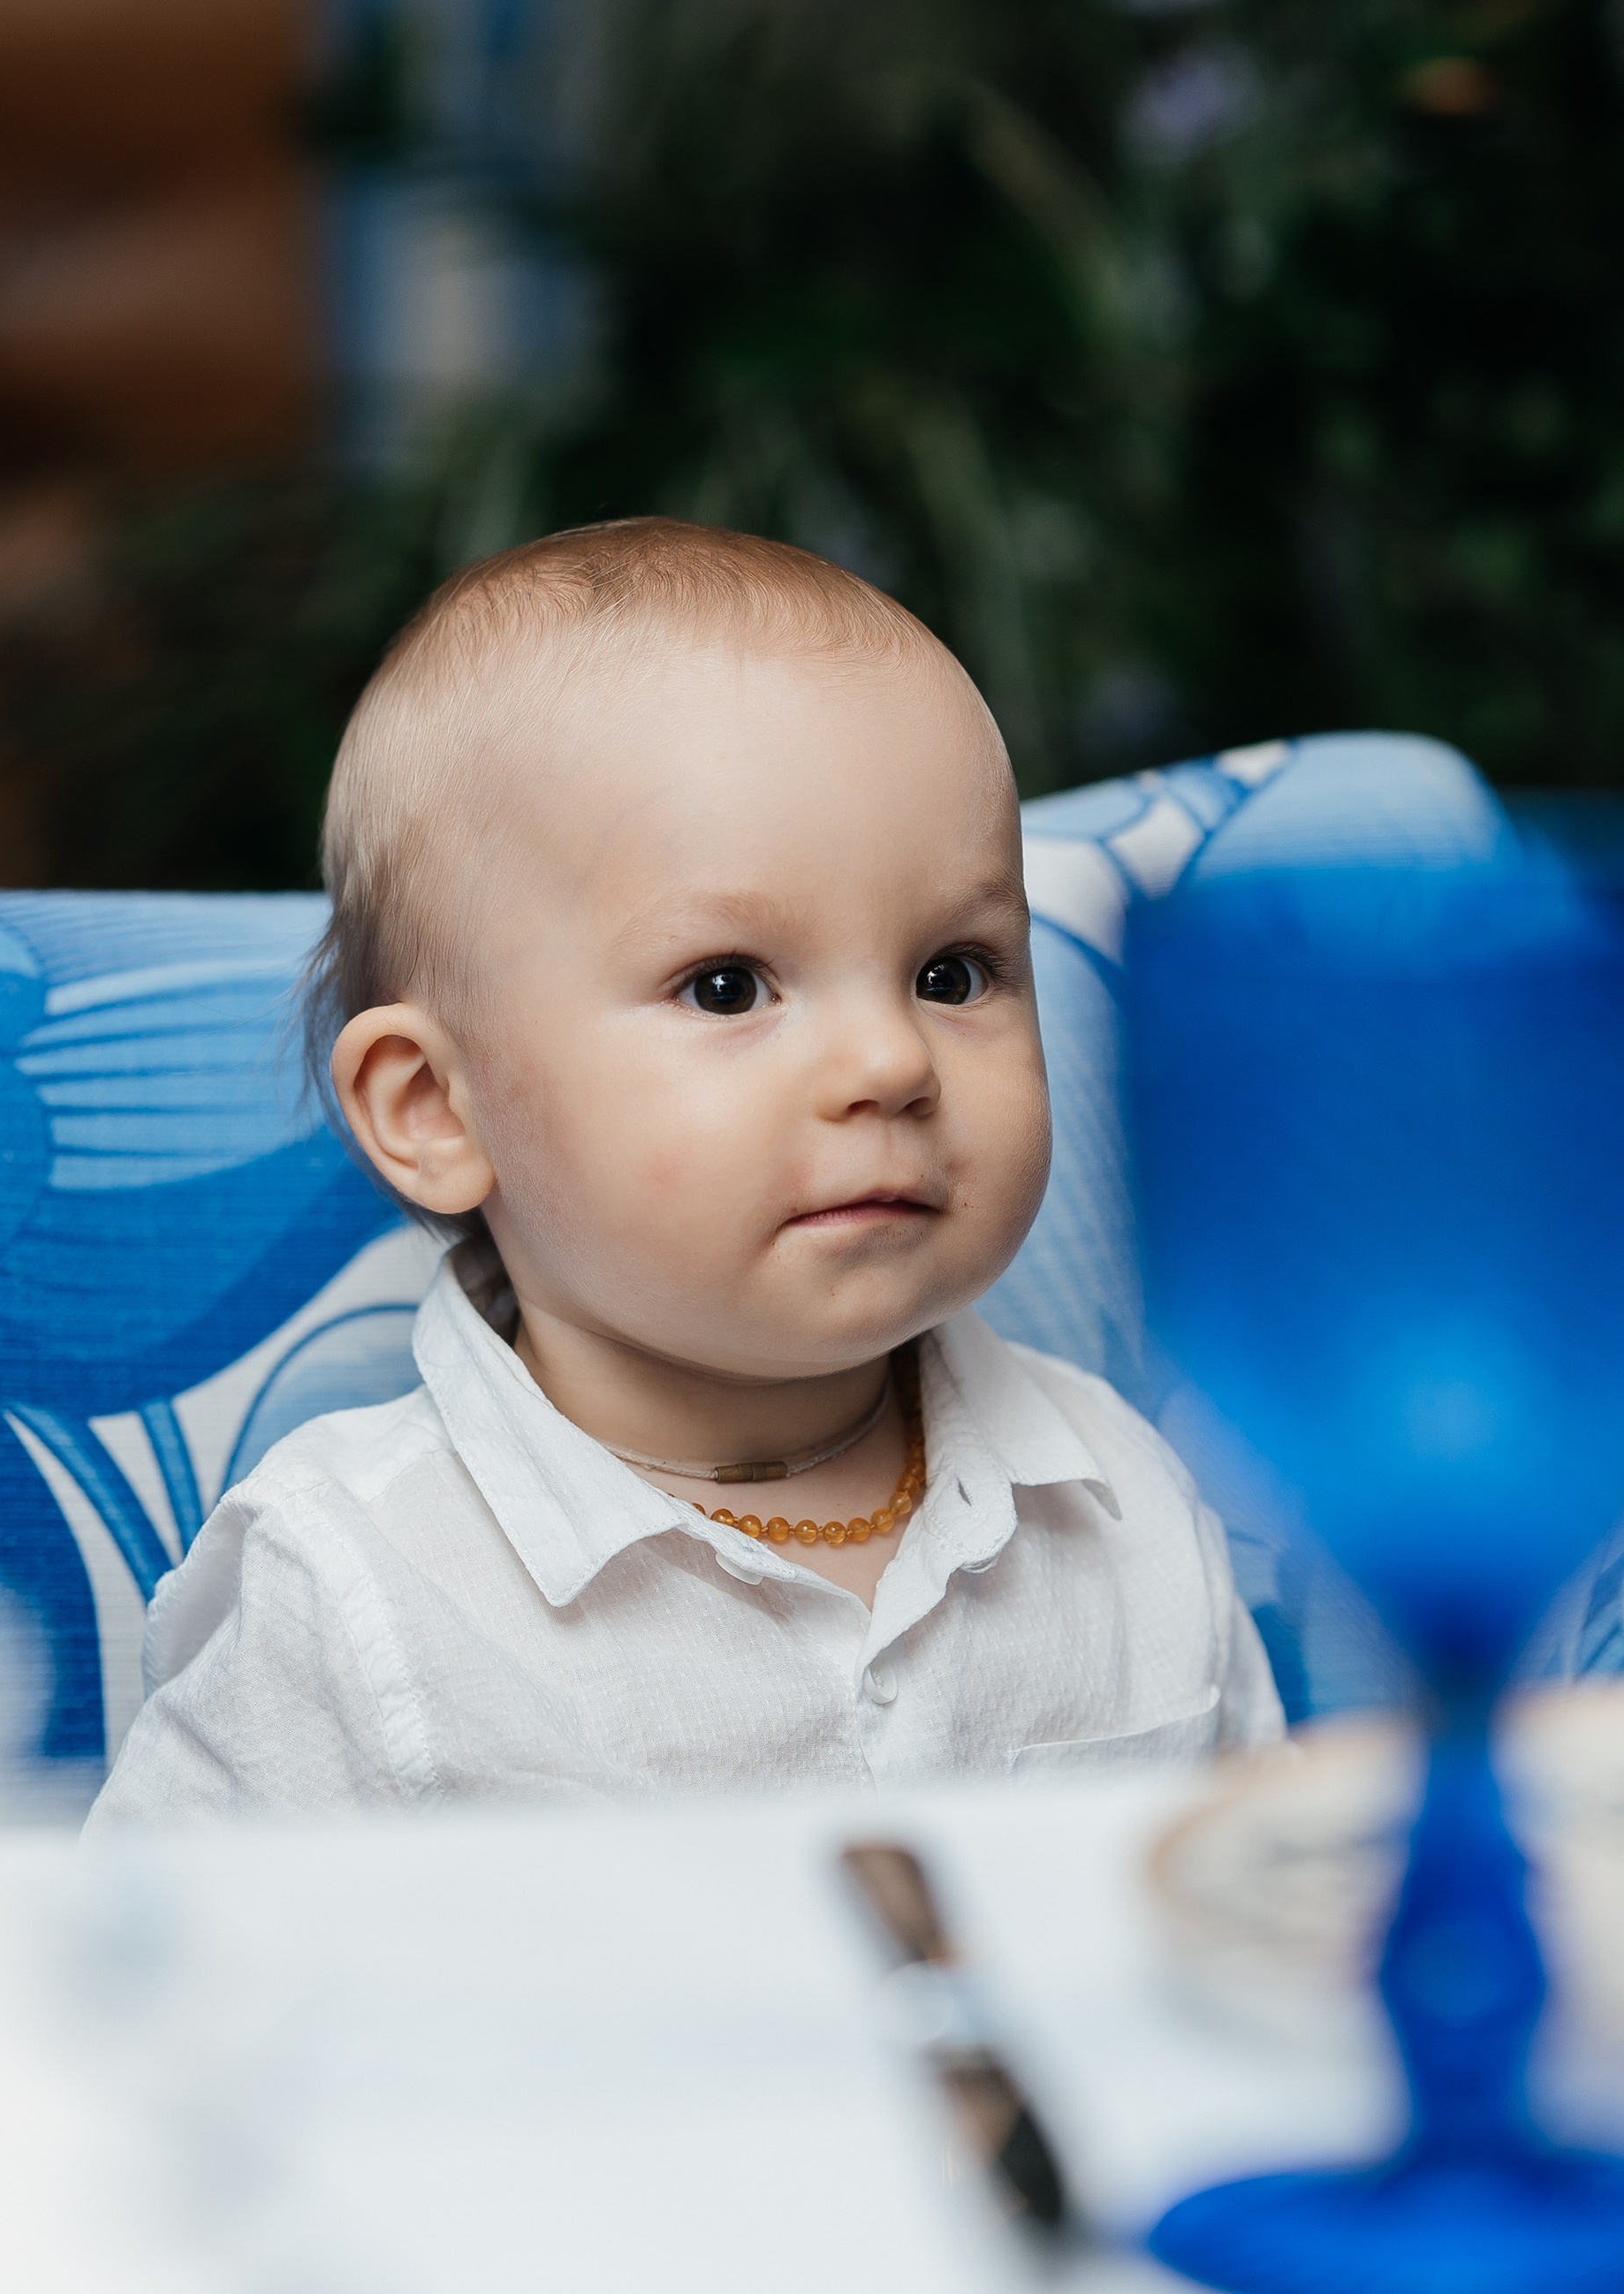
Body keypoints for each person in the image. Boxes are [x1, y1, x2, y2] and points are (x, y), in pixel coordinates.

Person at [89, 520, 1279, 1819]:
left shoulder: (1123, 1503)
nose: (891, 1060)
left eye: (953, 974)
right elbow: (134, 2009)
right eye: (726, 986)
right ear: (436, 1107)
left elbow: (1278, 1929)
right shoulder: (351, 1584)